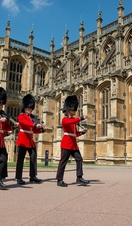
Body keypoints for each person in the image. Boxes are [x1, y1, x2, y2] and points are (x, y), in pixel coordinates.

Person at [56, 95, 90, 187]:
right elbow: (71, 123)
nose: (74, 112)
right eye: (72, 110)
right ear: (67, 110)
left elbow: (75, 134)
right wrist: (81, 118)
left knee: (79, 159)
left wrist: (82, 132)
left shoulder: (73, 121)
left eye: (74, 110)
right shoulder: (65, 120)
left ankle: (79, 177)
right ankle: (59, 180)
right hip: (66, 144)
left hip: (73, 145)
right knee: (63, 162)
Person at [15, 94, 46, 185]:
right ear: (24, 108)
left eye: (30, 108)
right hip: (23, 140)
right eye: (28, 108)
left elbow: (33, 131)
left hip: (30, 141)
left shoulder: (32, 118)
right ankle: (18, 177)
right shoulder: (21, 116)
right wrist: (34, 124)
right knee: (20, 159)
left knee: (33, 158)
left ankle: (33, 176)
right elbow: (24, 123)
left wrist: (42, 129)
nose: (29, 110)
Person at [0, 87, 17, 190]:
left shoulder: (2, 115)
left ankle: (1, 179)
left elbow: (6, 127)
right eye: (1, 104)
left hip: (1, 141)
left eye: (2, 104)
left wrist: (13, 127)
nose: (2, 106)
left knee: (3, 158)